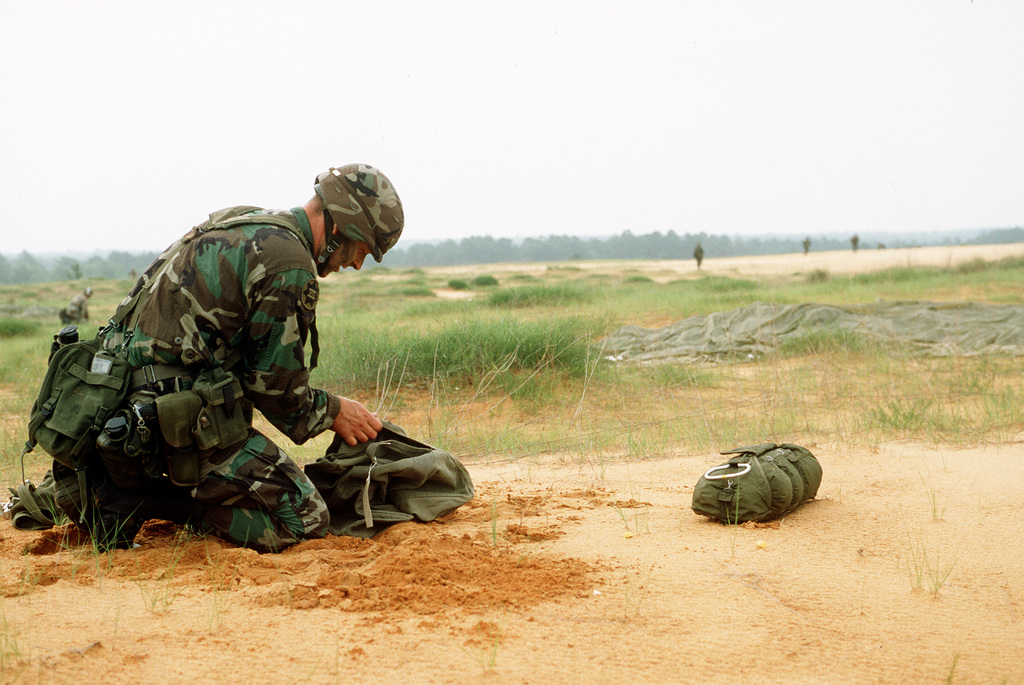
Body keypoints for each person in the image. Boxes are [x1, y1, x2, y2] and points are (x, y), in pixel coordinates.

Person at [56, 164, 404, 552]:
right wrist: (335, 410)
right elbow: (280, 396)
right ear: (341, 227)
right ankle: (144, 501)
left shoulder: (243, 220)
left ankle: (121, 485)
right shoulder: (288, 264)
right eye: (362, 250)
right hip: (164, 419)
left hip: (112, 404)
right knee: (305, 518)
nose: (356, 264)